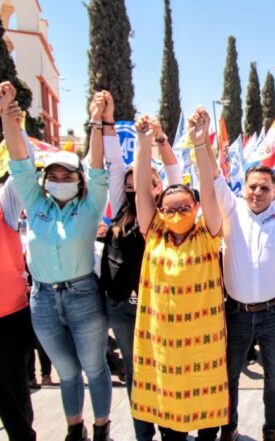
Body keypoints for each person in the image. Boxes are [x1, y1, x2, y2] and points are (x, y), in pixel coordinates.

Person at [2, 82, 111, 441]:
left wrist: (96, 123)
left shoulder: (90, 204)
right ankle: (74, 427)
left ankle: (101, 429)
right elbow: (20, 164)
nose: (60, 180)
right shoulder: (35, 205)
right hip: (43, 301)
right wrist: (7, 117)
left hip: (83, 296)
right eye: (54, 175)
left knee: (95, 369)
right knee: (66, 371)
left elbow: (98, 168)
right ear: (45, 181)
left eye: (68, 175)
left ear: (78, 181)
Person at [208, 107, 275, 441]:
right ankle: (230, 426)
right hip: (236, 314)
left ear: (274, 189)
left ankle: (271, 428)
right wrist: (201, 142)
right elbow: (212, 177)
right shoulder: (231, 209)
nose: (256, 193)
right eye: (252, 187)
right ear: (244, 188)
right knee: (230, 376)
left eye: (264, 188)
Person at [131, 109, 226, 440]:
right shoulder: (154, 231)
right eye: (170, 209)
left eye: (184, 207)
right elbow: (142, 189)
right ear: (161, 212)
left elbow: (209, 189)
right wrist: (143, 146)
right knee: (169, 427)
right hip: (165, 351)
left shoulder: (208, 233)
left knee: (206, 426)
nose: (177, 213)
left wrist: (200, 144)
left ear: (196, 209)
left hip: (204, 352)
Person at [100, 108, 182, 440]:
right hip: (123, 309)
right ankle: (143, 435)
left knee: (164, 372)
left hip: (160, 310)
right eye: (131, 186)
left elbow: (175, 170)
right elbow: (115, 164)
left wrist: (157, 139)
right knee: (136, 376)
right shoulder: (121, 205)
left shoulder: (171, 210)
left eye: (145, 182)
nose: (136, 190)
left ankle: (170, 431)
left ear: (158, 184)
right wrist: (106, 122)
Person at [0, 102, 36, 441]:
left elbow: (24, 169)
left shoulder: (4, 206)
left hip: (7, 322)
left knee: (14, 406)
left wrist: (12, 123)